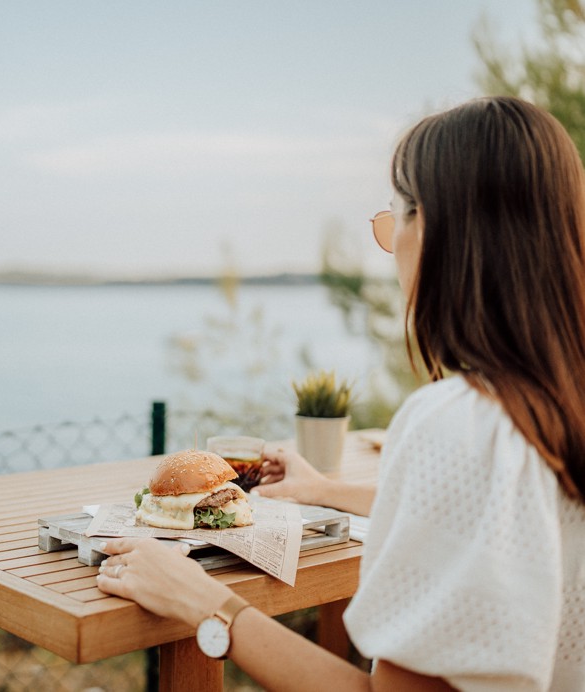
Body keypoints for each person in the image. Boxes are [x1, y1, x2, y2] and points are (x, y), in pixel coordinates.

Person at [96, 96, 585, 691]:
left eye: (393, 222)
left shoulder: (459, 422)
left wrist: (203, 602)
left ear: (435, 228)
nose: (393, 251)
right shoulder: (557, 404)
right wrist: (324, 491)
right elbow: (497, 509)